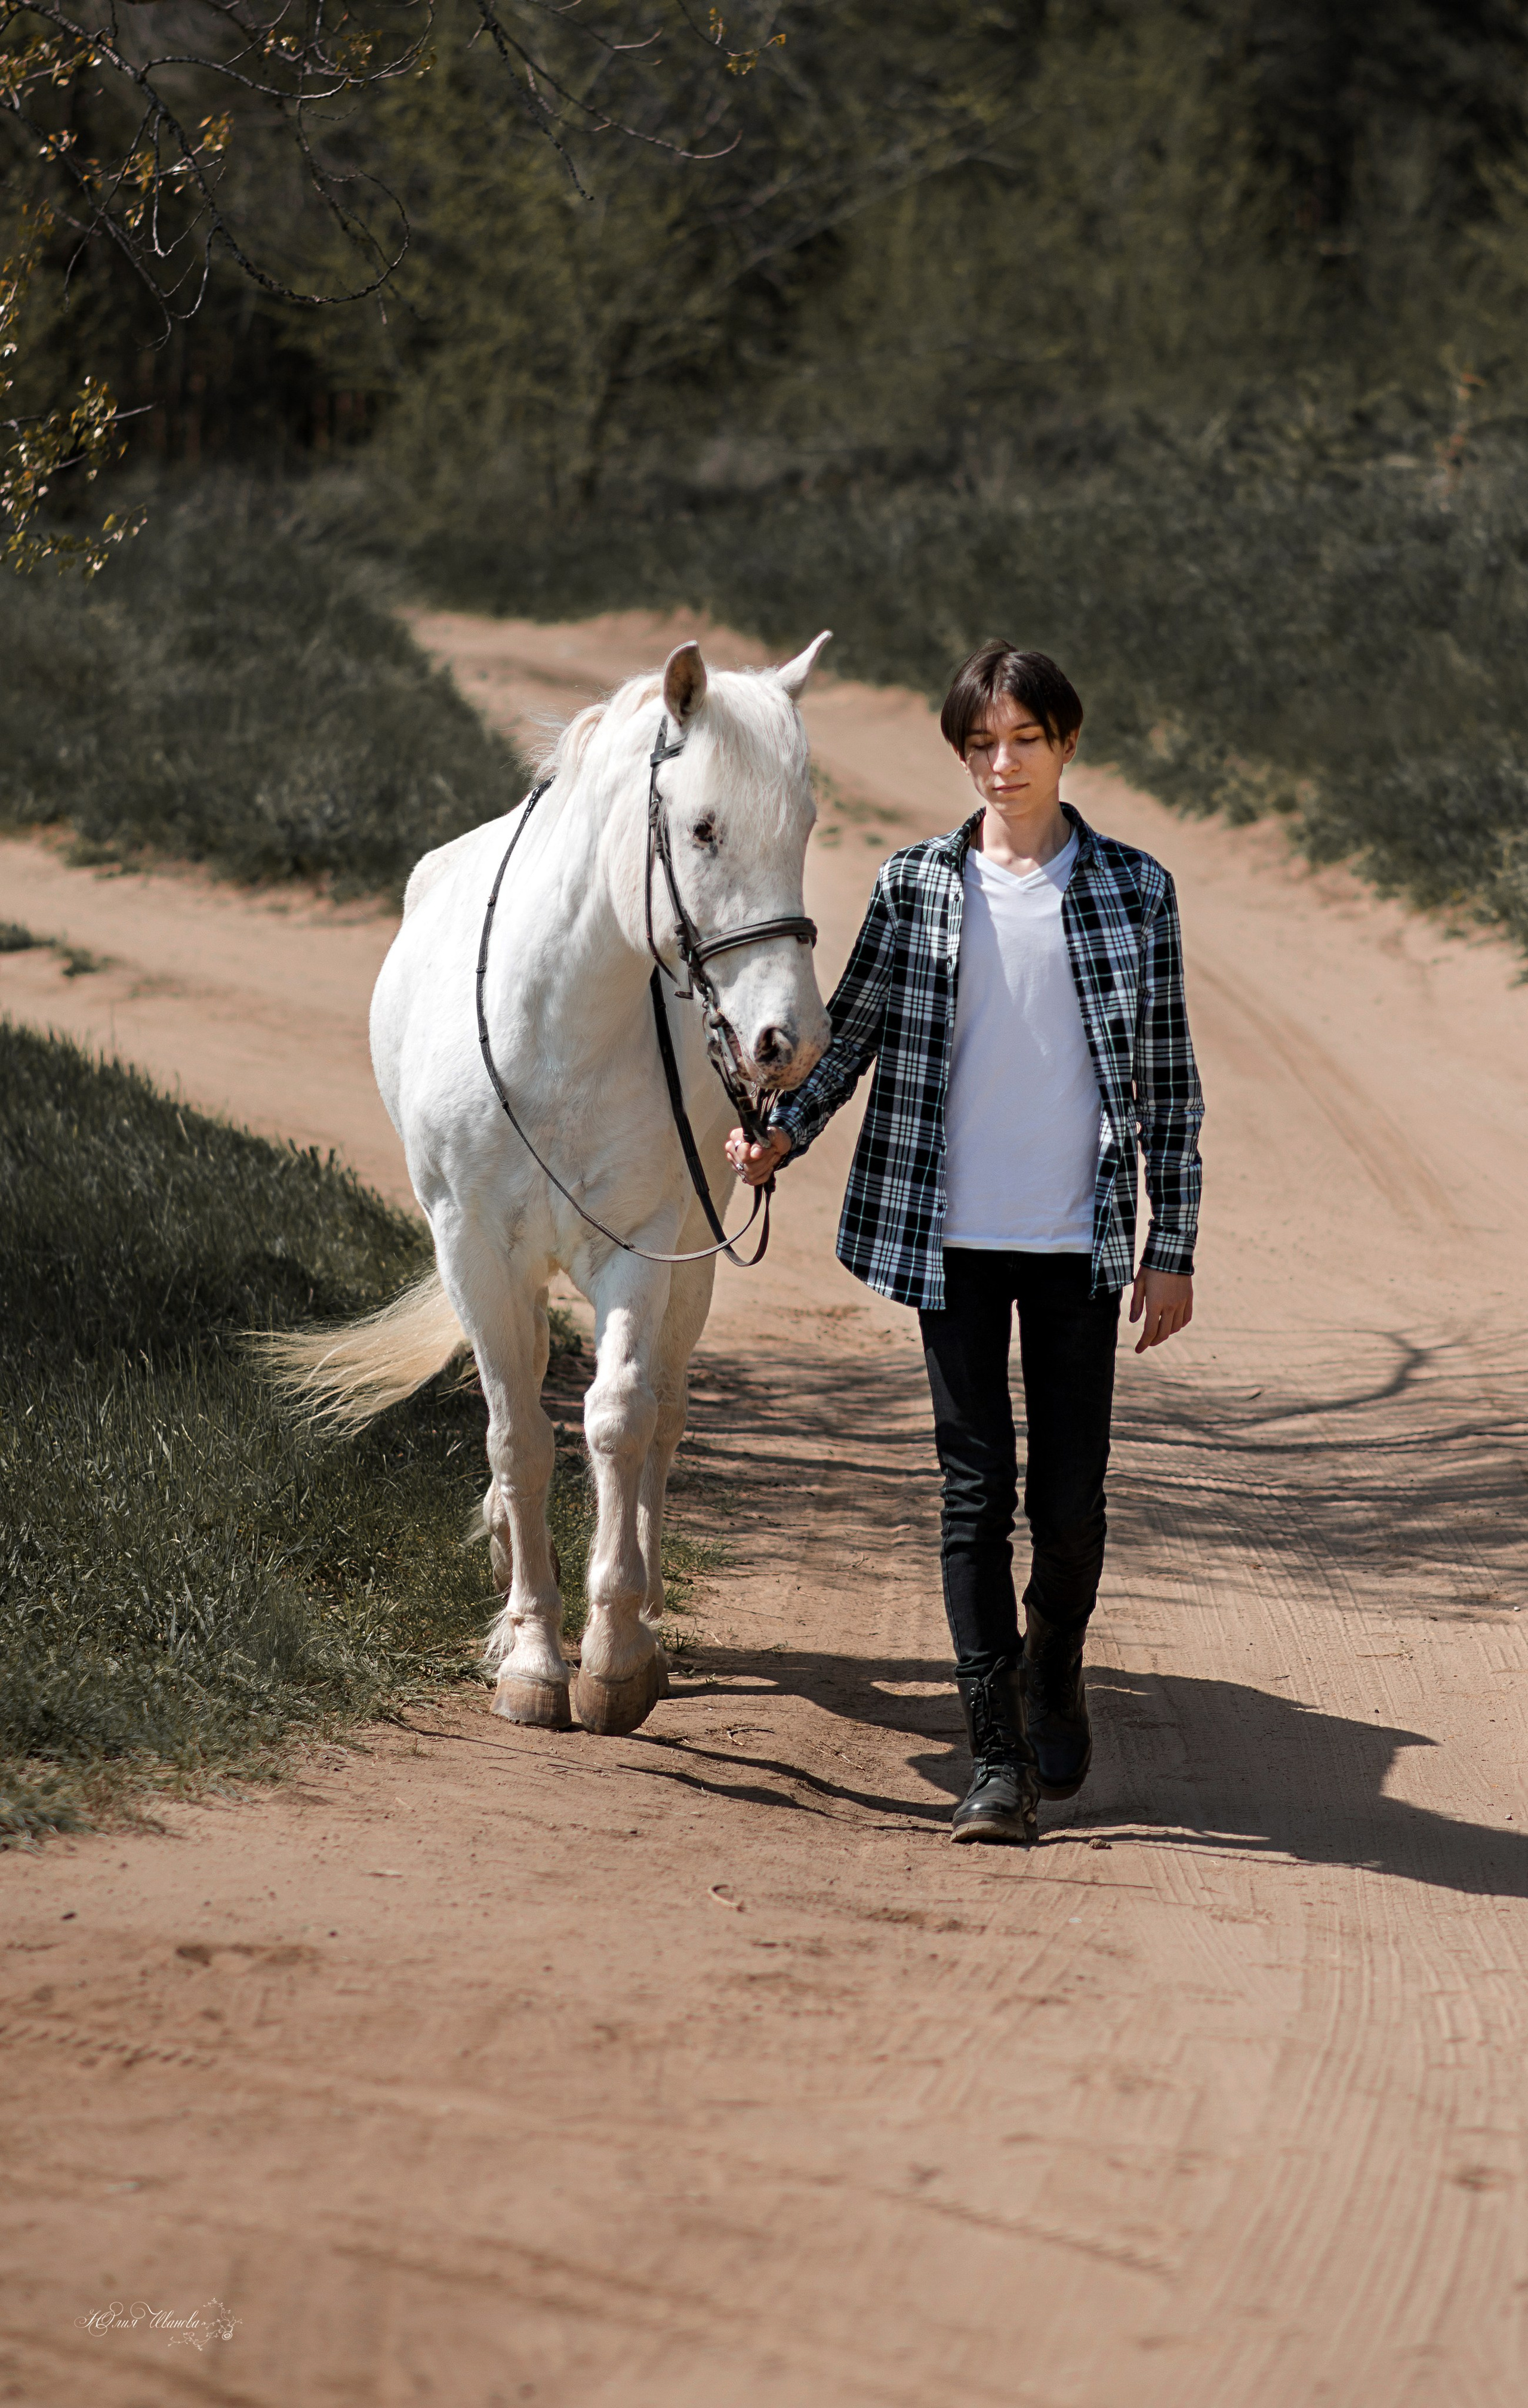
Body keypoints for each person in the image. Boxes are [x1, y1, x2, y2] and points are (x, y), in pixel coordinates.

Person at [726, 641, 1203, 1846]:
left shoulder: (1133, 890)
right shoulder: (914, 886)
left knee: (1072, 1500)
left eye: (1024, 741)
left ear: (1063, 743)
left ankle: (1054, 1666)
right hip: (949, 1234)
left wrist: (1171, 1243)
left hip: (1078, 1241)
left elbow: (1167, 1084)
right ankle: (992, 1753)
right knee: (971, 1492)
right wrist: (781, 1130)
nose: (1003, 764)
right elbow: (853, 1035)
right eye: (982, 744)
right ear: (961, 753)